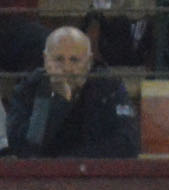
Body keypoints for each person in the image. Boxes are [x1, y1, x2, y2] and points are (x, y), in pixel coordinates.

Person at [4, 26, 139, 158]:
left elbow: (128, 144)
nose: (67, 68)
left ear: (89, 62)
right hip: (44, 177)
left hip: (94, 174)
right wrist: (59, 101)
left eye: (74, 60)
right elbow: (25, 147)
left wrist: (71, 162)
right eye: (59, 59)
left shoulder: (108, 86)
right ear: (45, 60)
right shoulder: (30, 88)